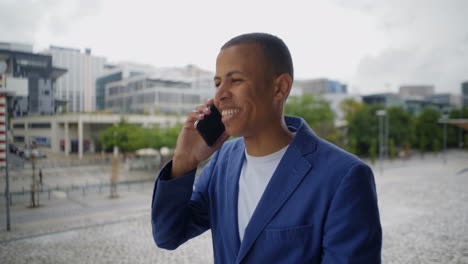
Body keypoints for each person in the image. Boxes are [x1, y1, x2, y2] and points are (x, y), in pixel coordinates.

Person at [151, 33, 382, 263]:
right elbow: (168, 235)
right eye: (218, 83)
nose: (220, 95)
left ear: (279, 87)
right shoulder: (222, 162)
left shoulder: (344, 177)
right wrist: (184, 160)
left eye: (236, 80)